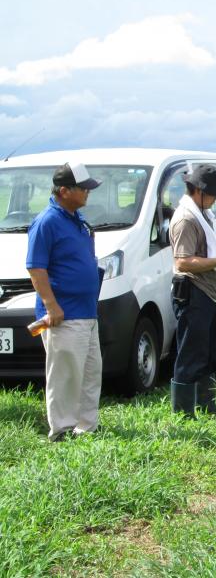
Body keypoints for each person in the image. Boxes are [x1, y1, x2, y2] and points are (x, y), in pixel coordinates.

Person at [26, 162, 104, 442]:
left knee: (90, 372)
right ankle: (60, 430)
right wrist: (51, 306)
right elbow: (36, 268)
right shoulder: (47, 221)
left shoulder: (77, 219)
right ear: (64, 190)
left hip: (86, 312)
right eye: (83, 189)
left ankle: (86, 427)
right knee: (65, 375)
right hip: (64, 314)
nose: (87, 193)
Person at [169, 164, 216, 417]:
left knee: (210, 350)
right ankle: (183, 411)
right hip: (194, 290)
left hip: (211, 291)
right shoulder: (186, 218)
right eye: (213, 194)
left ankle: (206, 403)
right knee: (191, 351)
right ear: (199, 191)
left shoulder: (202, 214)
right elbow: (183, 261)